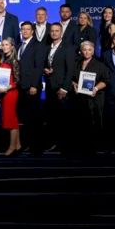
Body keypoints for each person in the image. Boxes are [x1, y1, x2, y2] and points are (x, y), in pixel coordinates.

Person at [67, 41, 109, 157]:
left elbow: (106, 80)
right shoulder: (76, 64)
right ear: (81, 51)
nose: (87, 52)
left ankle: (93, 148)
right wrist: (74, 85)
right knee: (80, 123)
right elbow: (71, 78)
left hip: (94, 99)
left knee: (93, 123)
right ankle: (81, 147)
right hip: (79, 98)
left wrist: (96, 88)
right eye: (84, 50)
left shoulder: (99, 65)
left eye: (89, 50)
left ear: (93, 51)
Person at [43, 23, 75, 154]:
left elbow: (70, 70)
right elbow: (49, 64)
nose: (54, 33)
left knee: (64, 118)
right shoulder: (48, 47)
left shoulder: (68, 47)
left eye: (57, 31)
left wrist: (65, 88)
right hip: (50, 87)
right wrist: (46, 69)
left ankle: (65, 146)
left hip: (62, 88)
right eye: (52, 31)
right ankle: (55, 143)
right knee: (53, 117)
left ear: (61, 33)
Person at [17, 21, 46, 156]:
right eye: (23, 29)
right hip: (22, 87)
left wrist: (34, 85)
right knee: (26, 118)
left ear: (32, 31)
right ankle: (28, 144)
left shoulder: (38, 45)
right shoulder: (19, 45)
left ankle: (37, 147)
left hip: (32, 87)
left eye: (28, 29)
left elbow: (38, 67)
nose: (25, 31)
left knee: (35, 118)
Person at [0, 37, 21, 156]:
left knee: (11, 120)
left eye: (7, 44)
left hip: (11, 93)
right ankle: (18, 145)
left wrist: (6, 88)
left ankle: (11, 147)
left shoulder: (14, 60)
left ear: (12, 46)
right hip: (3, 93)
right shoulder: (3, 58)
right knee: (13, 119)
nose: (4, 47)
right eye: (3, 45)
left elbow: (17, 81)